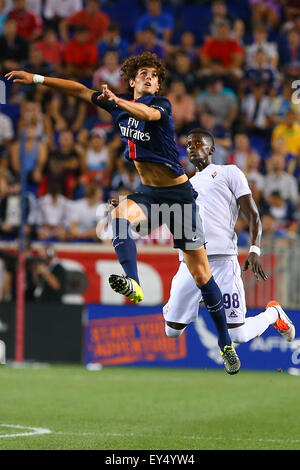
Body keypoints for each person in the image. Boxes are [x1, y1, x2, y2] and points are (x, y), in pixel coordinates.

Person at [6, 51, 241, 375]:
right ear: (132, 79)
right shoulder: (116, 104)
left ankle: (226, 343)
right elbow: (76, 89)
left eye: (154, 75)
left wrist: (116, 99)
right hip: (149, 193)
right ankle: (133, 281)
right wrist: (37, 78)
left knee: (201, 275)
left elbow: (144, 113)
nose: (149, 78)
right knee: (117, 218)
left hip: (180, 196)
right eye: (143, 73)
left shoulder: (161, 105)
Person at [163, 128, 295, 351]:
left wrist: (254, 248)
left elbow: (252, 214)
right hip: (191, 262)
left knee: (238, 335)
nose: (192, 147)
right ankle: (180, 304)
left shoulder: (229, 173)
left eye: (198, 143)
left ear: (212, 149)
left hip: (223, 261)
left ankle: (274, 314)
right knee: (172, 330)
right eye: (188, 145)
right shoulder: (184, 185)